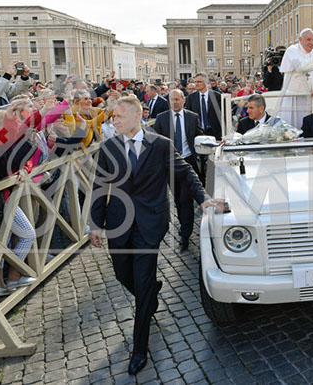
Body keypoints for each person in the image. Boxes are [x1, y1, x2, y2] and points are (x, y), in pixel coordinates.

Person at [89, 96, 226, 375]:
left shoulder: (161, 145)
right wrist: (94, 224)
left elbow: (186, 172)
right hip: (118, 223)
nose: (114, 121)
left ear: (137, 116)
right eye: (113, 116)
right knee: (122, 274)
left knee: (142, 282)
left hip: (150, 223)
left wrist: (203, 198)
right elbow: (100, 186)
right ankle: (150, 293)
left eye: (119, 116)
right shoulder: (108, 147)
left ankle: (139, 349)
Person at [153, 90, 204, 251]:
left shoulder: (192, 117)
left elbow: (199, 137)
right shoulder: (161, 118)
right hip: (170, 165)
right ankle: (184, 226)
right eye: (171, 100)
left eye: (177, 99)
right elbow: (155, 142)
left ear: (183, 100)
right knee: (178, 201)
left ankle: (185, 235)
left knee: (186, 200)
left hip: (189, 163)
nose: (174, 102)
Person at [276, 28, 313, 128]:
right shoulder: (292, 50)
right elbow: (300, 68)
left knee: (310, 128)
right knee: (292, 127)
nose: (311, 43)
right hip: (293, 98)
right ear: (300, 39)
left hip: (311, 98)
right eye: (308, 39)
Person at [186, 73, 222, 140]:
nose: (196, 84)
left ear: (206, 82)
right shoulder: (191, 97)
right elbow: (188, 114)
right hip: (198, 134)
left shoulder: (217, 96)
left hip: (215, 133)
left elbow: (223, 114)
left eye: (199, 82)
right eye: (195, 82)